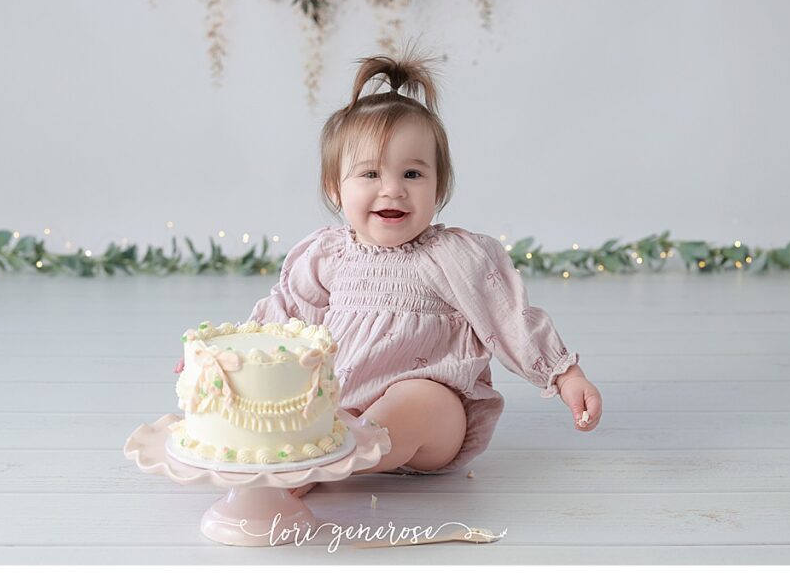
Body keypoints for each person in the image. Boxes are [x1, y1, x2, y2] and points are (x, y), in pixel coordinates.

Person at [253, 48, 603, 497]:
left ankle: (327, 458)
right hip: (342, 408)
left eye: (413, 174)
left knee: (418, 400)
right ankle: (318, 455)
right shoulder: (327, 255)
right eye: (370, 174)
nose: (393, 189)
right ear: (334, 188)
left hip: (431, 426)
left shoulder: (454, 255)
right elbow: (284, 319)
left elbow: (510, 319)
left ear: (439, 186)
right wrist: (222, 361)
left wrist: (565, 375)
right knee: (303, 409)